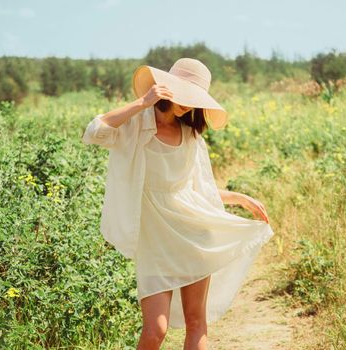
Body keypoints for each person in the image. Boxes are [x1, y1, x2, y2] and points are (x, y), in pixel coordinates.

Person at [81, 58, 274, 350]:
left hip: (193, 235)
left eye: (194, 98)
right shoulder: (136, 126)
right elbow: (95, 131)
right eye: (183, 94)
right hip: (155, 242)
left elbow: (199, 190)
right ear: (166, 89)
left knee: (196, 323)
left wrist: (240, 198)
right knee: (155, 330)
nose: (187, 104)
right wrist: (142, 103)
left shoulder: (191, 136)